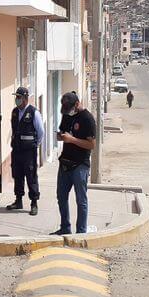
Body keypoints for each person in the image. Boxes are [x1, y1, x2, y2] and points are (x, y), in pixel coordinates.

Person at [51, 92, 96, 235]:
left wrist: (72, 140)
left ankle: (81, 232)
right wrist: (61, 136)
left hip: (80, 165)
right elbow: (64, 132)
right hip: (65, 162)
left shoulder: (87, 119)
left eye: (69, 108)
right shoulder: (66, 115)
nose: (67, 112)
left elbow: (91, 145)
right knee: (61, 196)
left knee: (81, 200)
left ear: (77, 104)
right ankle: (65, 227)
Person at [6, 87, 44, 216]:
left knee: (31, 176)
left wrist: (34, 145)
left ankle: (34, 203)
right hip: (17, 150)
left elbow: (41, 132)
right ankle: (18, 200)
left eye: (19, 97)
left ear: (26, 98)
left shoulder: (34, 112)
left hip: (29, 152)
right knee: (18, 175)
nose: (17, 100)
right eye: (16, 97)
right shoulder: (14, 112)